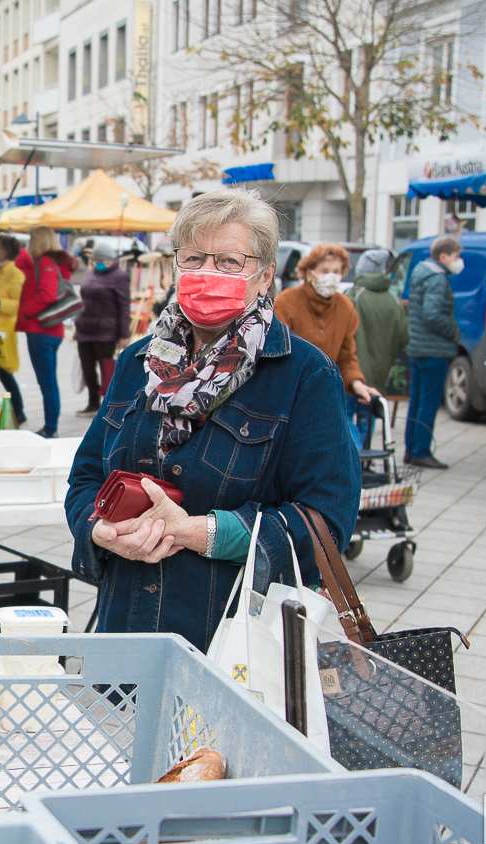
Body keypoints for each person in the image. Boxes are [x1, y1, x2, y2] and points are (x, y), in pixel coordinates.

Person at [66, 189, 359, 648]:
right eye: (195, 258)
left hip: (234, 643)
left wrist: (201, 532)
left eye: (228, 262)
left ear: (263, 277)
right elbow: (84, 479)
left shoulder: (304, 375)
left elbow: (327, 519)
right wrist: (100, 530)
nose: (207, 274)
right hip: (126, 630)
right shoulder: (138, 362)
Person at [273, 244, 381, 439]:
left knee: (347, 446)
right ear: (309, 271)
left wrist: (357, 383)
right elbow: (277, 351)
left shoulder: (345, 307)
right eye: (325, 271)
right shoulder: (286, 302)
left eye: (336, 271)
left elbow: (347, 356)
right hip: (293, 395)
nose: (331, 276)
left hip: (328, 394)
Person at [405, 235, 463, 469]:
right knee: (427, 403)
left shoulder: (421, 272)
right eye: (456, 255)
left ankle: (412, 448)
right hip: (434, 349)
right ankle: (420, 450)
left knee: (417, 401)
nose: (458, 260)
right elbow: (432, 314)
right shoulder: (438, 279)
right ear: (444, 256)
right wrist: (454, 331)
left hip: (418, 347)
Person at [16, 226, 73, 438]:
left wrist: (26, 313)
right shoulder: (54, 262)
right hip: (52, 330)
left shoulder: (46, 263)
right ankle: (51, 426)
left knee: (47, 381)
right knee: (48, 380)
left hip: (41, 330)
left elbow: (47, 295)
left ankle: (51, 428)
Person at [350, 248, 408, 449]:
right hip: (380, 373)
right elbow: (403, 337)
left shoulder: (354, 295)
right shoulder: (393, 301)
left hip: (352, 372)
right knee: (369, 416)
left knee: (347, 418)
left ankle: (353, 462)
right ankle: (364, 458)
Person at [74, 239, 131, 416]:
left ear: (111, 260)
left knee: (107, 371)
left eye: (103, 261)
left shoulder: (119, 276)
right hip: (85, 330)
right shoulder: (91, 273)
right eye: (96, 260)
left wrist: (124, 334)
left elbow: (124, 306)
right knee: (87, 369)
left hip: (106, 332)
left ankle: (108, 406)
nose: (99, 264)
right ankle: (92, 403)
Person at [0, 234, 27, 426]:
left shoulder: (15, 274)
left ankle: (19, 411)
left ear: (7, 251)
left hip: (3, 332)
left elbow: (17, 304)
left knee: (5, 373)